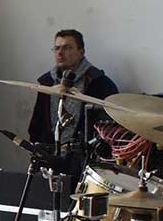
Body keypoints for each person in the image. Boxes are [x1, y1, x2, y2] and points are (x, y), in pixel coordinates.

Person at [24, 29, 120, 171]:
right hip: (50, 162)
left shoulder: (100, 84)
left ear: (81, 52)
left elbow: (111, 133)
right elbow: (36, 125)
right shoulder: (47, 83)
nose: (60, 53)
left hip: (85, 165)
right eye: (57, 48)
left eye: (67, 48)